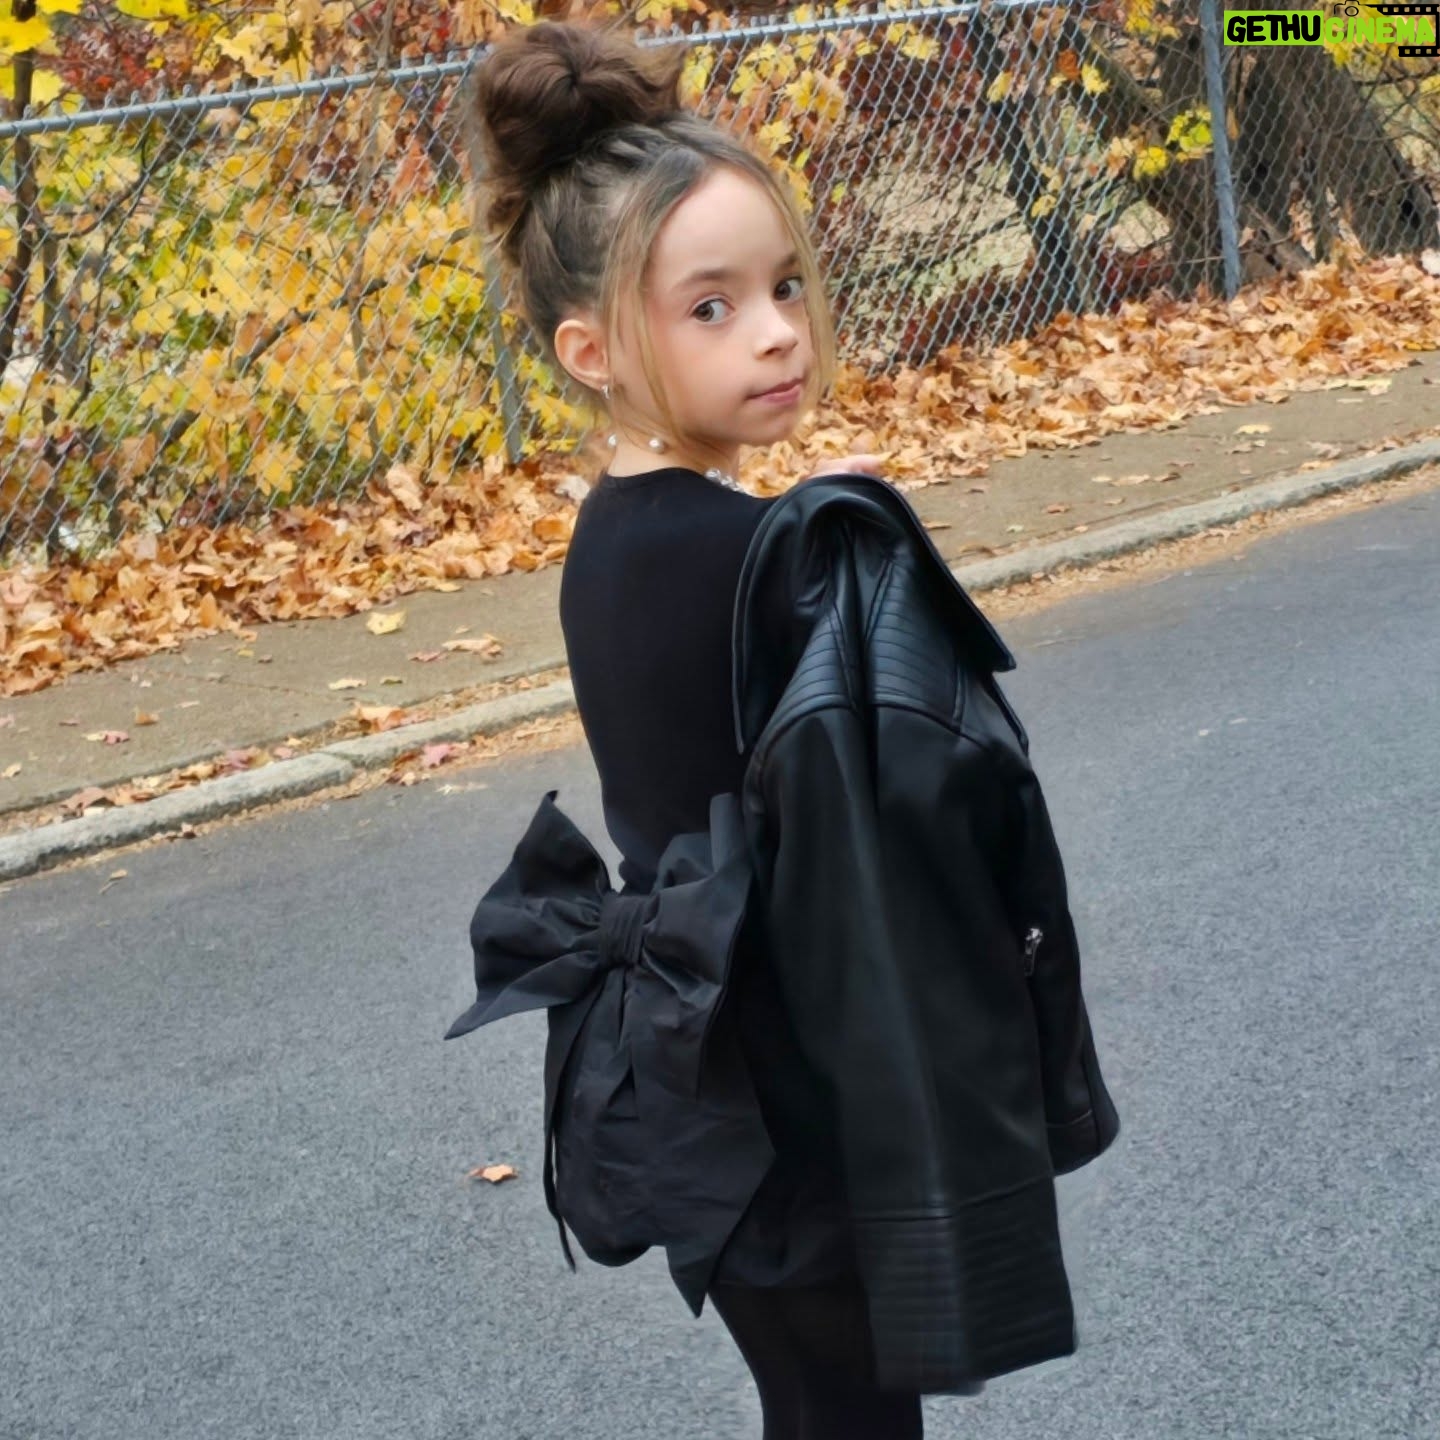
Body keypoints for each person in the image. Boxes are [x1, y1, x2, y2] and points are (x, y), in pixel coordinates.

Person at [464, 19, 939, 1437]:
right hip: (783, 1062)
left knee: (823, 1399)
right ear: (595, 350)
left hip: (695, 1053)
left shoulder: (620, 534)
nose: (780, 329)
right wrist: (858, 555)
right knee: (853, 1409)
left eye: (785, 285)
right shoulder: (750, 552)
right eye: (712, 308)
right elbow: (894, 777)